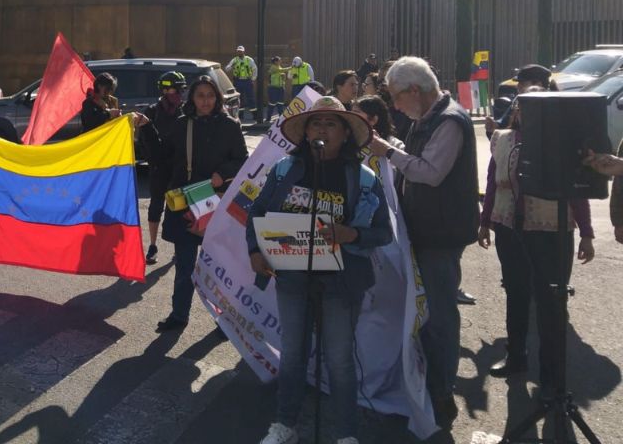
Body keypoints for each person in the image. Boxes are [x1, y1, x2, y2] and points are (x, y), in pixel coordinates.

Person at [248, 97, 392, 444]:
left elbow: (384, 232)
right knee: (293, 354)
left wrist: (352, 234)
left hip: (342, 283)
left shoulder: (364, 177)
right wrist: (255, 250)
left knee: (340, 360)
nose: (322, 129)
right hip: (293, 278)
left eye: (331, 123)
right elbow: (258, 212)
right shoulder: (285, 169)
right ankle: (285, 425)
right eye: (316, 123)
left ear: (345, 133)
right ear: (306, 133)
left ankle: (345, 434)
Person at [366, 56, 478, 428]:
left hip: (441, 236)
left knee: (440, 315)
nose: (394, 106)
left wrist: (389, 152)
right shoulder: (424, 118)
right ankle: (426, 385)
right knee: (424, 313)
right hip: (424, 231)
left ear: (415, 90)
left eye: (396, 98)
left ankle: (441, 391)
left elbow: (429, 173)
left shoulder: (450, 120)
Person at [478, 85, 595, 386]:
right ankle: (516, 356)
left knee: (550, 303)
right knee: (516, 294)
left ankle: (551, 378)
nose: (528, 111)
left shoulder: (563, 144)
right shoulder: (502, 140)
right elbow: (492, 182)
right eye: (523, 105)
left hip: (551, 231)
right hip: (509, 228)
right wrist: (484, 221)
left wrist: (586, 232)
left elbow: (578, 192)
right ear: (517, 110)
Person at [147, 76, 248, 332]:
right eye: (200, 95)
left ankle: (223, 321)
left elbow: (241, 160)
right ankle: (179, 315)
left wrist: (222, 173)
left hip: (217, 203)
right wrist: (145, 127)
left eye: (210, 95)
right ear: (192, 98)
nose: (206, 101)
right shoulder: (182, 125)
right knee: (184, 266)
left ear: (218, 98)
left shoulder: (230, 125)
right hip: (187, 203)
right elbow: (161, 156)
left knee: (219, 268)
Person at [137, 71, 188, 264]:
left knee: (177, 207)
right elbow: (143, 140)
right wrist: (153, 161)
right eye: (175, 88)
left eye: (180, 89)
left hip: (179, 169)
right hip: (159, 169)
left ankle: (178, 246)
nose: (178, 93)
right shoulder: (152, 111)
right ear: (164, 90)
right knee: (156, 206)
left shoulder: (185, 111)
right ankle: (152, 245)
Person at [225, 45, 257, 120]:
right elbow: (227, 69)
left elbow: (255, 69)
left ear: (244, 51)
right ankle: (240, 115)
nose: (239, 52)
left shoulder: (249, 60)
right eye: (238, 51)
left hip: (247, 81)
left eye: (241, 51)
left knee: (250, 98)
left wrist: (253, 79)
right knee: (239, 98)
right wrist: (231, 66)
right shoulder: (234, 60)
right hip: (238, 81)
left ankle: (255, 115)